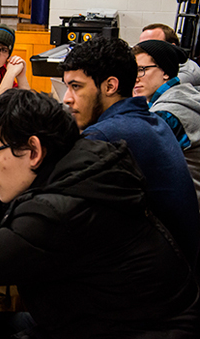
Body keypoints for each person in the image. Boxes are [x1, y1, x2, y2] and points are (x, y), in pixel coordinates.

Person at [0, 89, 200, 339]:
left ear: (34, 150)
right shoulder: (84, 162)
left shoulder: (61, 209)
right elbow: (14, 218)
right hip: (134, 323)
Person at [59, 36, 200, 268]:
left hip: (157, 282)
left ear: (110, 86)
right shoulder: (147, 120)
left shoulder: (106, 136)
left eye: (76, 86)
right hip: (178, 269)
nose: (67, 98)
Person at [132, 39, 200, 211]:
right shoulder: (183, 95)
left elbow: (141, 164)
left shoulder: (168, 114)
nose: (135, 78)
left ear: (165, 72)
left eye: (141, 70)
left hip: (186, 212)